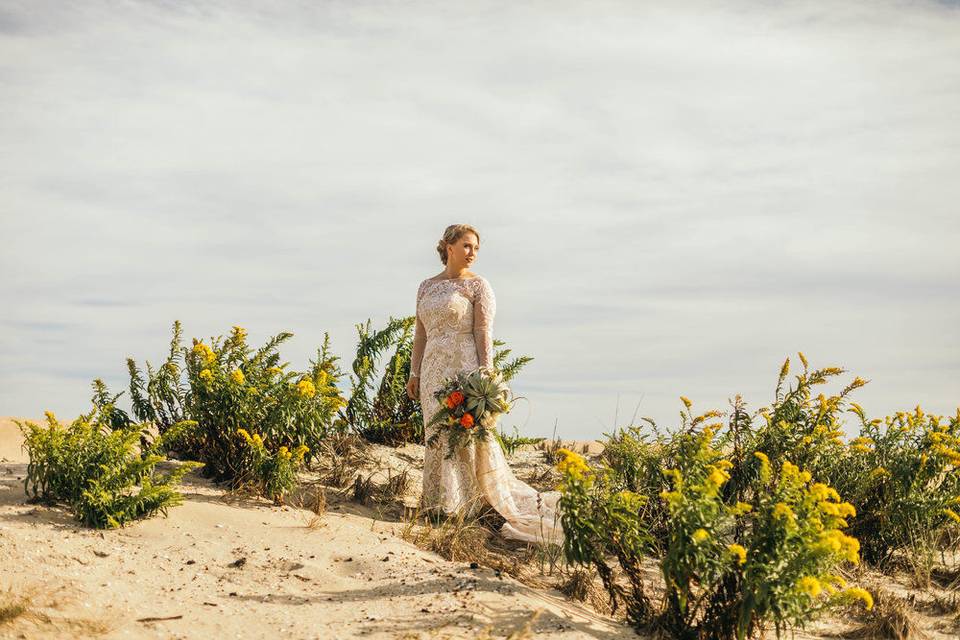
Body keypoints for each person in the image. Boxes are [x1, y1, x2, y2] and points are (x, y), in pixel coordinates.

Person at [405, 224, 563, 545]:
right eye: (466, 246)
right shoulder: (425, 287)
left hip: (464, 368)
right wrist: (415, 373)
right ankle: (438, 502)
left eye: (476, 247)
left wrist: (485, 375)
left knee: (464, 434)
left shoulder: (478, 286)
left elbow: (483, 332)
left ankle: (465, 503)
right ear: (448, 246)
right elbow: (420, 334)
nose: (472, 253)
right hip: (433, 369)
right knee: (435, 432)